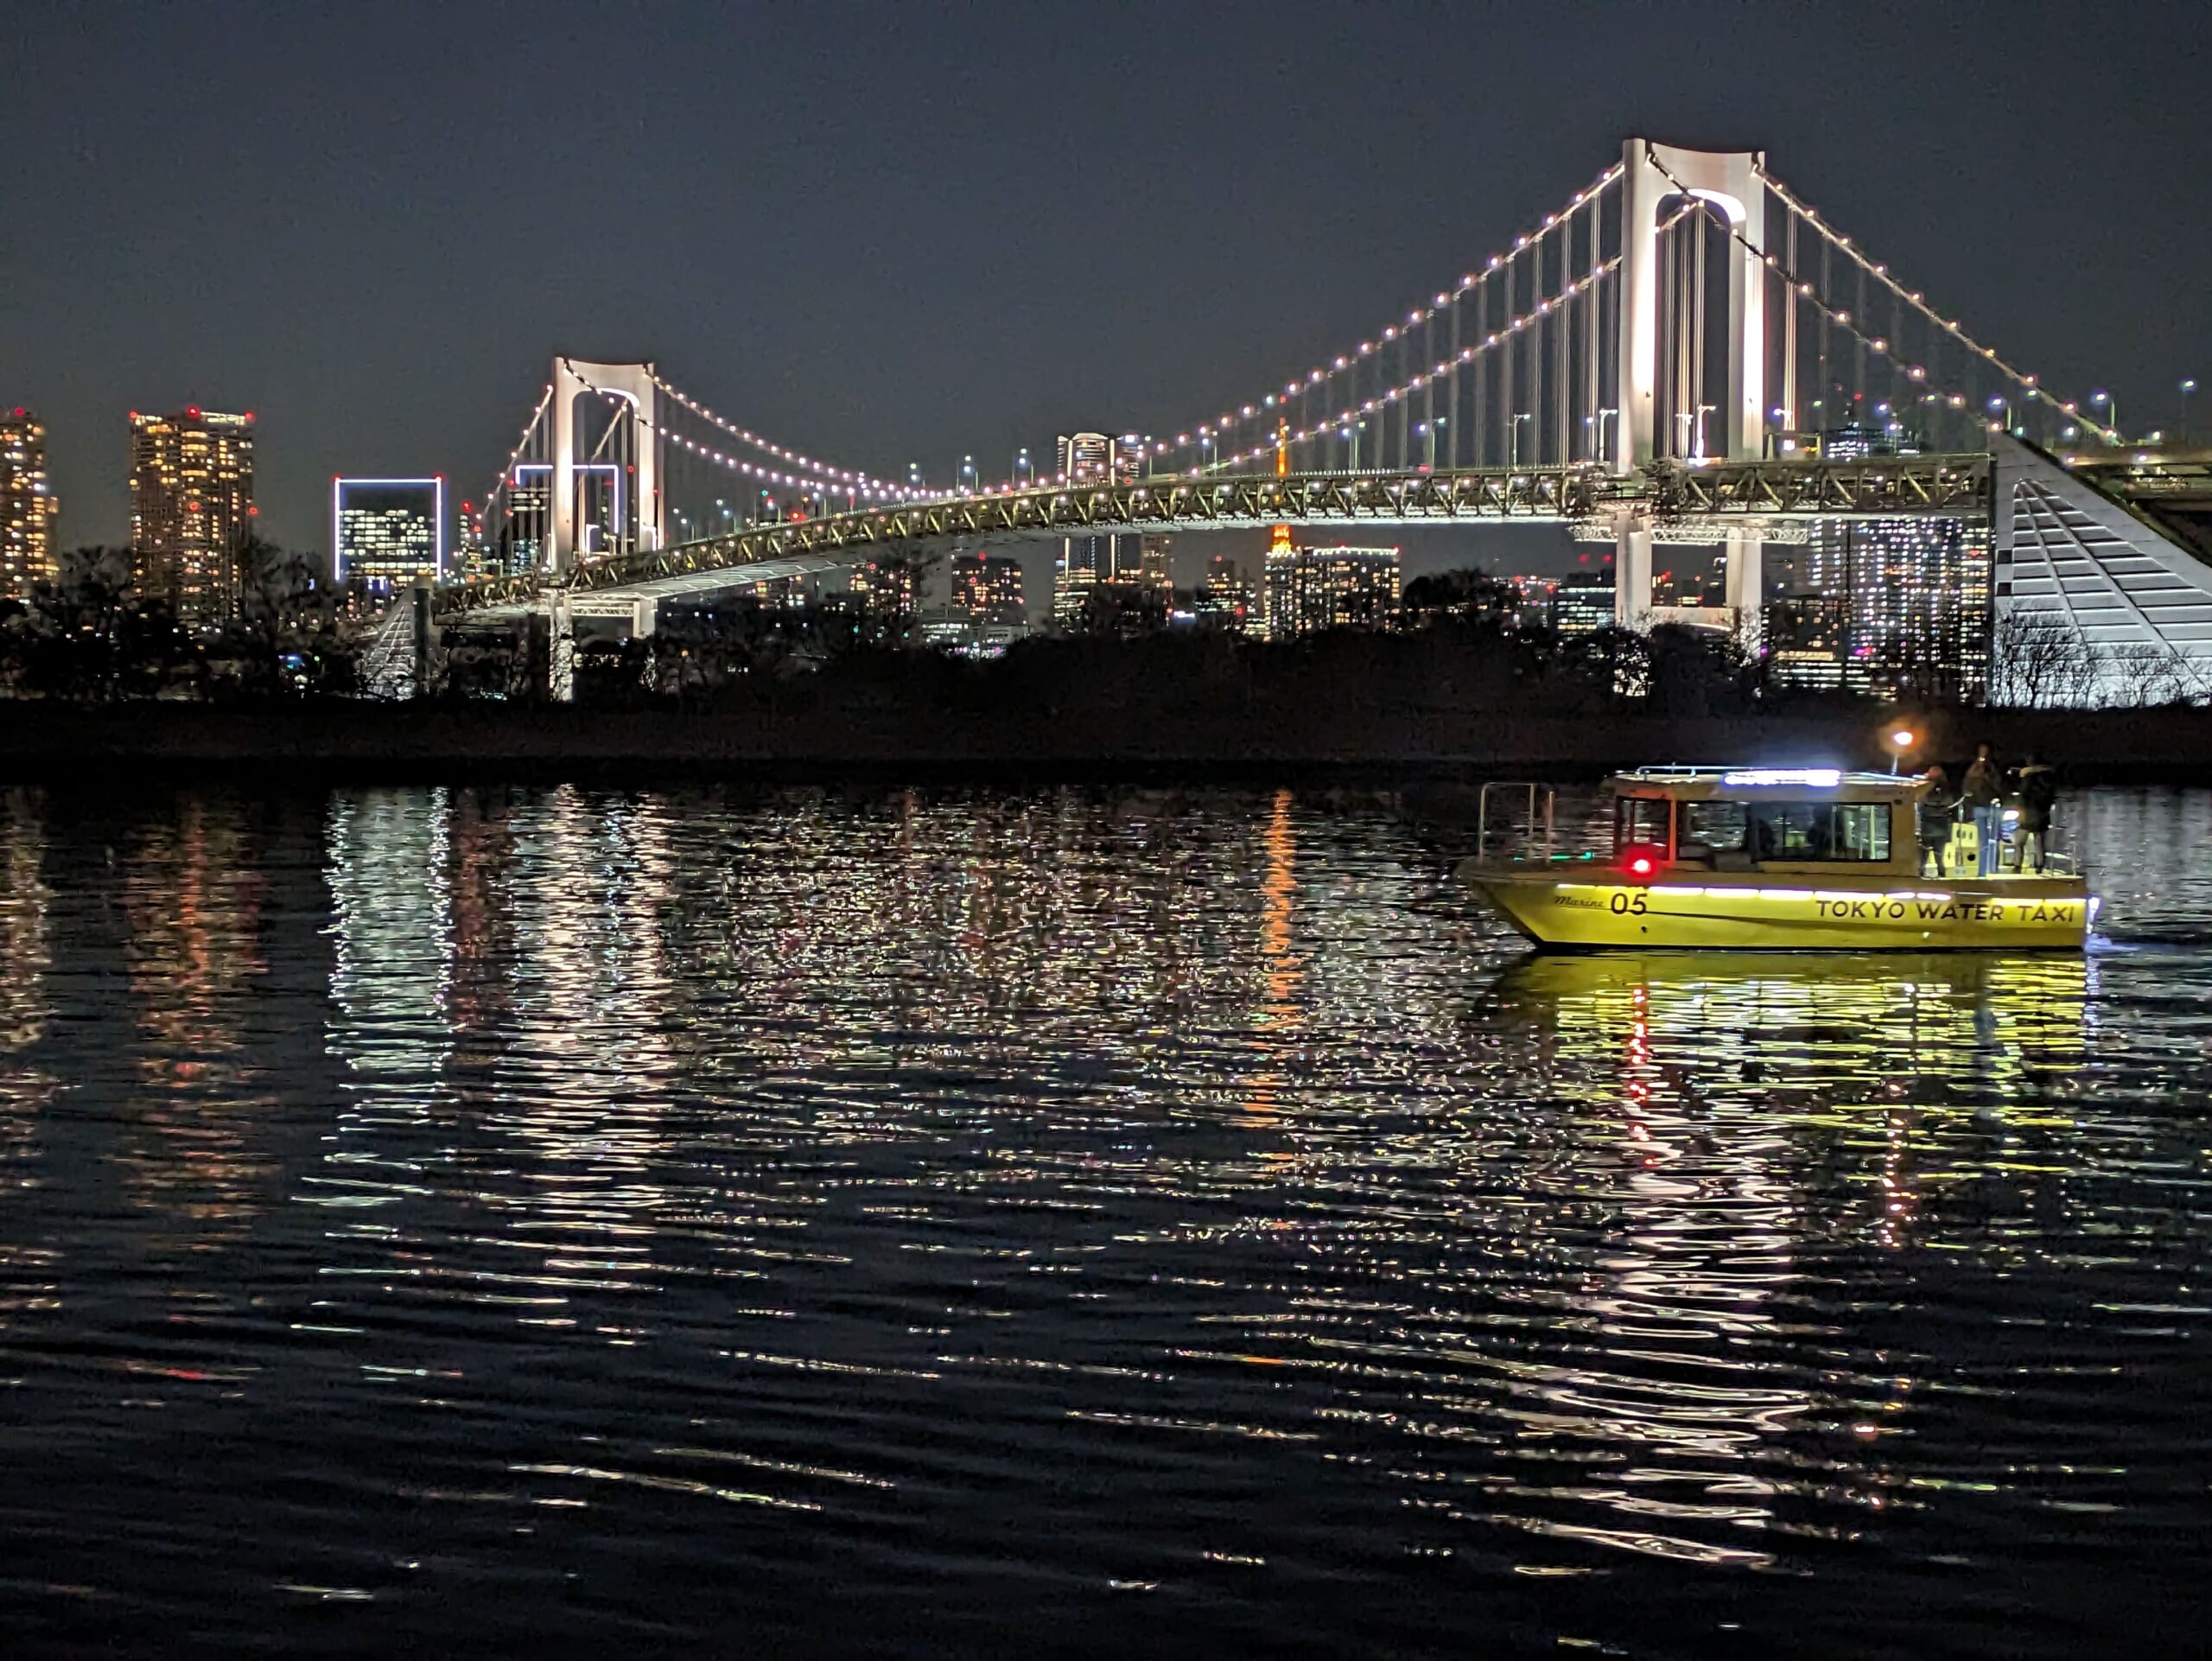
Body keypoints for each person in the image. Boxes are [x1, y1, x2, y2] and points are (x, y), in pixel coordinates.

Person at [1961, 742, 2005, 876]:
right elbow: (1967, 787)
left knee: (1994, 839)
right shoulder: (1974, 768)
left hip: (1992, 806)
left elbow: (1999, 785)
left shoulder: (1993, 768)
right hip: (1979, 806)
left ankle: (1992, 868)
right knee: (1984, 840)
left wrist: (1988, 778)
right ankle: (1982, 871)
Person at [2015, 754, 2058, 873]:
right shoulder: (2047, 776)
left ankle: (2018, 866)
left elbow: (2023, 794)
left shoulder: (2029, 776)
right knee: (2038, 842)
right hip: (2039, 813)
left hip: (2030, 812)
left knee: (2021, 842)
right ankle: (2039, 866)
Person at [1916, 764, 1958, 877]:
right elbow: (1950, 803)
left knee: (1924, 849)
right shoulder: (1946, 788)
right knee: (1939, 849)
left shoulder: (1924, 788)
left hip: (1927, 822)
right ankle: (1940, 869)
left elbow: (1920, 802)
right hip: (1941, 823)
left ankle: (1921, 868)